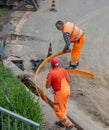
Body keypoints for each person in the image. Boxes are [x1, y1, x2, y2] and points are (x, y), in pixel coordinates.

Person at [46, 58, 74, 130]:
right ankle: (62, 123)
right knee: (63, 106)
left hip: (60, 93)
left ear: (51, 66)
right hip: (67, 90)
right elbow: (69, 81)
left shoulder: (51, 74)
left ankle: (69, 124)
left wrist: (51, 81)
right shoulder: (63, 70)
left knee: (57, 109)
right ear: (59, 64)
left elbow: (47, 86)